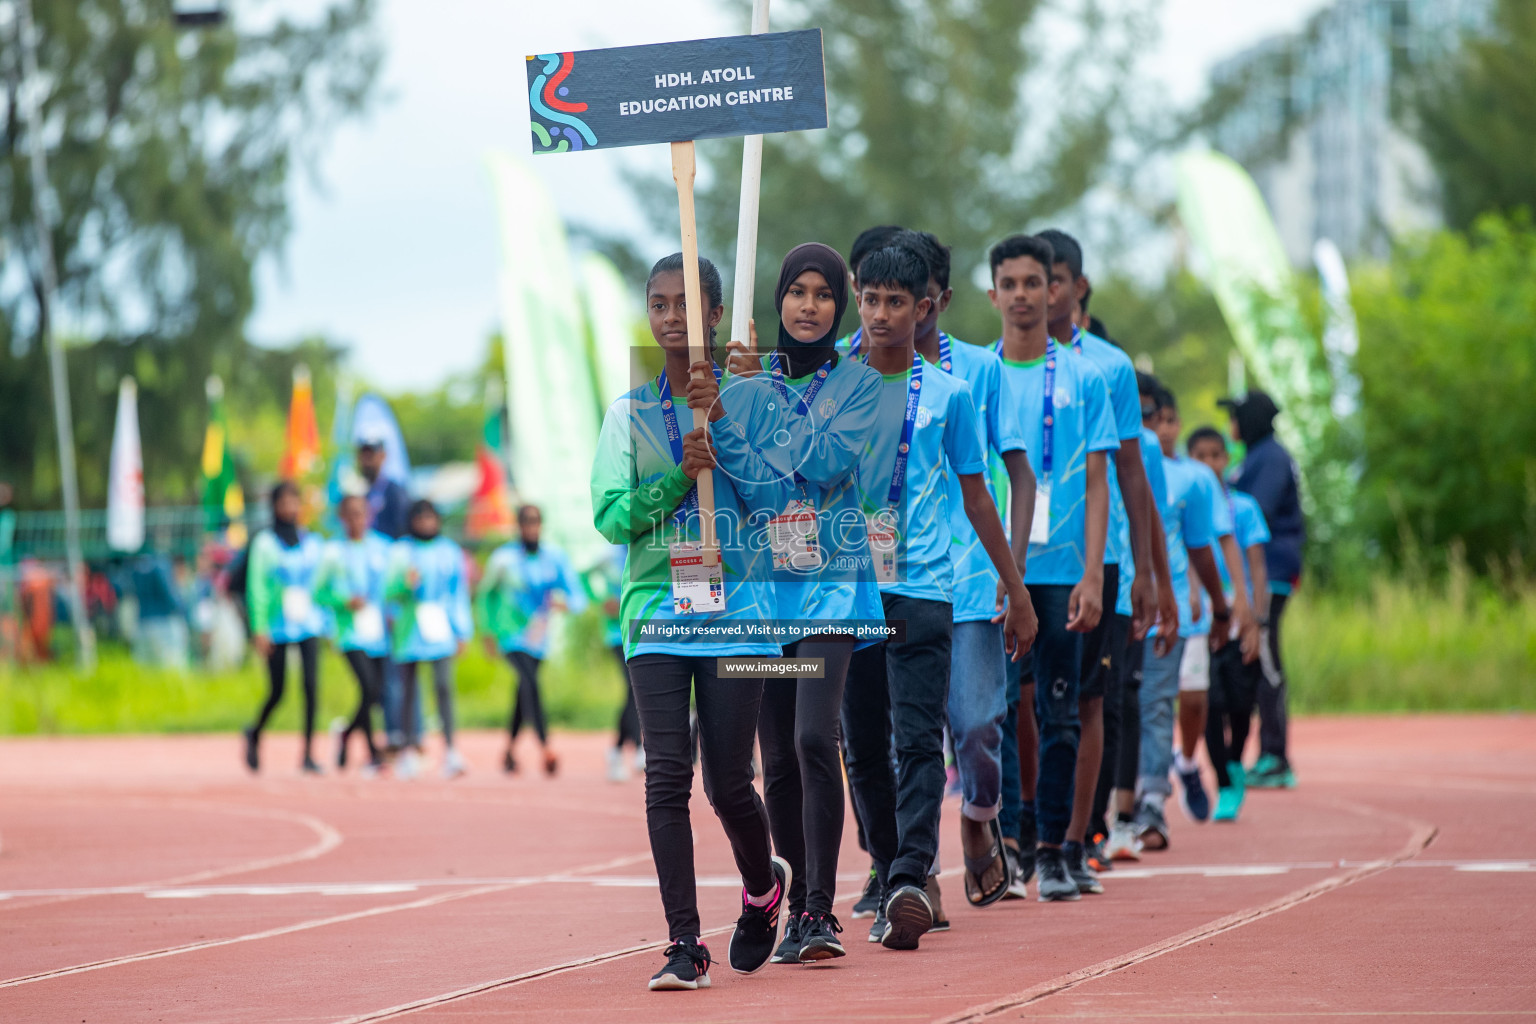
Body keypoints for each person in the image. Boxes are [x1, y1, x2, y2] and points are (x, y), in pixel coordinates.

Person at [591, 252, 790, 991]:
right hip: (656, 615)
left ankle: (763, 887)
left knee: (729, 783)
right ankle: (683, 943)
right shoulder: (628, 414)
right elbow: (612, 517)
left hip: (740, 617)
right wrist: (678, 473)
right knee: (666, 775)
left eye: (686, 304)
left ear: (715, 314)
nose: (672, 316)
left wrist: (727, 430)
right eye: (659, 303)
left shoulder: (757, 404)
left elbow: (783, 510)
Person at [840, 243, 1035, 951]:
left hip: (925, 589)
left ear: (925, 307)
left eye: (899, 301)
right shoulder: (830, 386)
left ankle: (911, 879)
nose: (883, 314)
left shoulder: (951, 394)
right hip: (848, 592)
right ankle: (890, 865)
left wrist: (1017, 591)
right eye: (872, 299)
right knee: (863, 746)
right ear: (858, 300)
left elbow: (980, 494)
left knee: (921, 739)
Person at [740, 242, 880, 965]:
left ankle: (822, 911)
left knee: (812, 739)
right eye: (797, 290)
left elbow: (826, 462)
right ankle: (797, 911)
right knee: (778, 766)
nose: (808, 305)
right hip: (764, 599)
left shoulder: (859, 384)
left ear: (839, 307)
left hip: (833, 593)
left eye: (824, 293)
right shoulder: (746, 380)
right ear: (778, 301)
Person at [896, 229, 1037, 911]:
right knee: (908, 735)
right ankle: (912, 867)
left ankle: (980, 819)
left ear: (940, 301)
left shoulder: (980, 372)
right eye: (884, 299)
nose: (901, 315)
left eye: (916, 301)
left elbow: (1015, 471)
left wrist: (1018, 583)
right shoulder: (858, 368)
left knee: (979, 724)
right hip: (895, 580)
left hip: (974, 580)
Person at [987, 233, 1117, 902]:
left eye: (1032, 283)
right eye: (1008, 284)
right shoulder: (976, 375)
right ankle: (1011, 843)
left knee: (1062, 711)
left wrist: (1095, 573)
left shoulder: (1085, 377)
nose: (1021, 295)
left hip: (1064, 567)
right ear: (992, 295)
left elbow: (1099, 483)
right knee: (1003, 710)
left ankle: (1063, 850)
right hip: (998, 570)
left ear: (1054, 291)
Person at [1035, 228, 1163, 894]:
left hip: (1096, 557)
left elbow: (1133, 473)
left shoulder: (1108, 367)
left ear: (1077, 288)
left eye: (1053, 281)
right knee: (1026, 700)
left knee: (1085, 701)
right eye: (1029, 281)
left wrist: (1143, 570)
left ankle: (1074, 841)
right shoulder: (1002, 365)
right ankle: (1028, 831)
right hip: (1022, 557)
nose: (1042, 294)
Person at [1135, 382, 1254, 848]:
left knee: (1188, 700)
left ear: (1175, 423)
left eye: (1166, 419)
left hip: (1185, 609)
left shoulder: (1195, 479)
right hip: (1130, 606)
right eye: (1152, 419)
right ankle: (1139, 797)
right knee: (1141, 703)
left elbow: (1213, 542)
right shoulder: (1118, 464)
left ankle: (1181, 765)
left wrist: (1231, 600)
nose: (1159, 428)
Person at [1102, 375, 1176, 862]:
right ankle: (1065, 821)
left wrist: (1156, 583)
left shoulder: (1143, 447)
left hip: (1124, 583)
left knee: (1123, 700)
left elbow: (1152, 516)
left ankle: (1124, 817)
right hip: (1064, 576)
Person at [1221, 389, 1303, 789]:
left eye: (1234, 415)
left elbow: (1256, 510)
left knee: (1266, 658)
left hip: (1269, 571)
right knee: (1254, 659)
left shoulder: (1270, 458)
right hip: (1259, 572)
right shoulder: (1255, 457)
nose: (1230, 424)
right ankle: (1266, 752)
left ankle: (1276, 756)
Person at [1188, 426, 1271, 820]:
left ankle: (1236, 761)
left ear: (1227, 459)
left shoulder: (1245, 508)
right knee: (1209, 703)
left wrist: (1257, 616)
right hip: (1201, 618)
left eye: (1215, 455)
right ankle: (1221, 780)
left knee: (1241, 704)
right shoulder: (1188, 504)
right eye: (1199, 456)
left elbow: (1256, 564)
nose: (1208, 463)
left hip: (1240, 617)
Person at [478, 504, 586, 777]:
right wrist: (487, 632)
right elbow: (484, 595)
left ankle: (509, 752)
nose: (530, 528)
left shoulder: (554, 557)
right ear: (518, 526)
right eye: (525, 523)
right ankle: (546, 747)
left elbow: (577, 596)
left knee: (523, 693)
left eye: (535, 522)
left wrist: (565, 604)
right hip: (509, 636)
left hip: (539, 637)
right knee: (530, 683)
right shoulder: (503, 559)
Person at [242, 481, 326, 774]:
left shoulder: (312, 542)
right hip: (277, 625)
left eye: (295, 502)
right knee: (278, 690)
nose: (290, 508)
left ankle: (309, 753)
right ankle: (254, 732)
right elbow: (257, 587)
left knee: (311, 687)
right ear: (274, 506)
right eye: (284, 502)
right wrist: (259, 627)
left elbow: (321, 584)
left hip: (308, 622)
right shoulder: (264, 543)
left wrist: (326, 619)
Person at [386, 500, 473, 781]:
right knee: (409, 690)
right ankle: (409, 750)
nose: (425, 523)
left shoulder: (449, 551)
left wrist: (462, 630)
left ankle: (450, 750)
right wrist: (403, 583)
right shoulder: (401, 551)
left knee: (443, 686)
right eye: (420, 518)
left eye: (430, 518)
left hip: (440, 626)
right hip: (411, 627)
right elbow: (386, 591)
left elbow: (457, 593)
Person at [317, 494, 390, 774]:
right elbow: (318, 591)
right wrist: (343, 599)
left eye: (361, 513)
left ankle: (348, 733)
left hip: (376, 631)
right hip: (348, 631)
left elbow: (391, 585)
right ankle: (372, 751)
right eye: (351, 514)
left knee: (375, 692)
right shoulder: (333, 552)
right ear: (342, 518)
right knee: (368, 686)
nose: (357, 520)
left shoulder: (381, 548)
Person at [589, 543, 643, 782]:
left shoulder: (648, 547)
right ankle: (633, 748)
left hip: (645, 630)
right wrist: (601, 599)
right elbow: (583, 576)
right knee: (633, 686)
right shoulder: (608, 554)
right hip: (616, 632)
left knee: (637, 688)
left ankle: (620, 749)